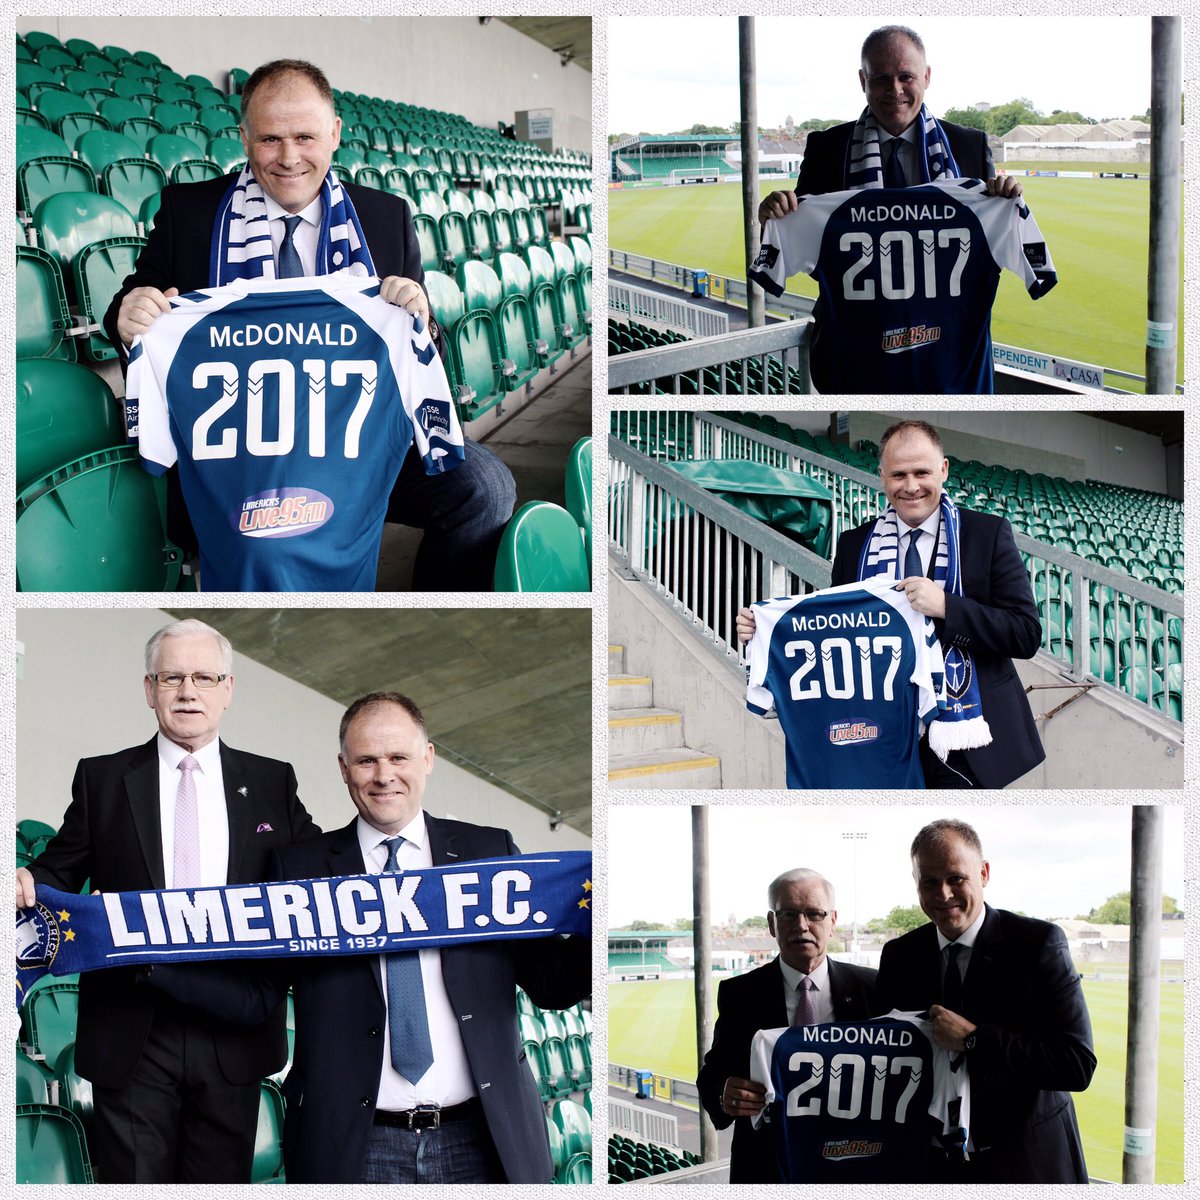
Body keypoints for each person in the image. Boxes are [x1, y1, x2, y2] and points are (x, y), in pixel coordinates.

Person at [104, 59, 514, 590]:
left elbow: (422, 351)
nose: (289, 157)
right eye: (270, 139)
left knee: (485, 489)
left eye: (305, 137)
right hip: (239, 456)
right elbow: (133, 307)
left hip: (359, 443)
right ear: (244, 137)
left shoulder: (385, 217)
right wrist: (130, 314)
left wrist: (421, 317)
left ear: (335, 133)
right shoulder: (191, 213)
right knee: (267, 543)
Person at [149, 691, 591, 1184]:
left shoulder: (488, 852)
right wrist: (146, 961)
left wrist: (602, 920)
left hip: (483, 1138)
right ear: (344, 768)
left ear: (428, 758)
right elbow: (255, 997)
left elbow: (550, 983)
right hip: (355, 1146)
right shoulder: (301, 870)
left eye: (399, 757)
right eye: (366, 761)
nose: (384, 776)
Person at [14, 618, 318, 1183]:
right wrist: (25, 879)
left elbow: (319, 871)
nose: (188, 691)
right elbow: (58, 868)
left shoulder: (272, 782)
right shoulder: (102, 779)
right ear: (149, 689)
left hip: (233, 1030)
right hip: (132, 1027)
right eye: (172, 677)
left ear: (228, 690)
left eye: (204, 677)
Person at [738, 420, 1045, 787]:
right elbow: (835, 634)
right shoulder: (854, 545)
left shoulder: (986, 533)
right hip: (881, 737)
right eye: (899, 474)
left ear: (944, 470)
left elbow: (1025, 634)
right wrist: (767, 631)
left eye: (921, 472)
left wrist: (947, 607)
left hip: (966, 739)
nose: (911, 486)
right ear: (882, 476)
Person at [875, 819, 1095, 1182]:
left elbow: (1077, 1064)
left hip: (1026, 1162)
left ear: (984, 873)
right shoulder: (899, 955)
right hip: (931, 1165)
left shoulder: (1037, 944)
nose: (944, 894)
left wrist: (973, 1040)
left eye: (956, 878)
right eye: (929, 882)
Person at [697, 869, 877, 1183]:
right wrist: (724, 1093)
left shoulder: (872, 988)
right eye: (789, 914)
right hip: (767, 1168)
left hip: (852, 1163)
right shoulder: (740, 994)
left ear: (833, 921)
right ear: (772, 923)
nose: (801, 925)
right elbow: (712, 1076)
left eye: (814, 914)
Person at [760, 25, 1020, 220]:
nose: (895, 90)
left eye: (906, 77)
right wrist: (772, 217)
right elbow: (797, 234)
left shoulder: (970, 145)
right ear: (863, 81)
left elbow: (994, 241)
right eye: (881, 79)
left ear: (926, 77)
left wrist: (1007, 202)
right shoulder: (825, 148)